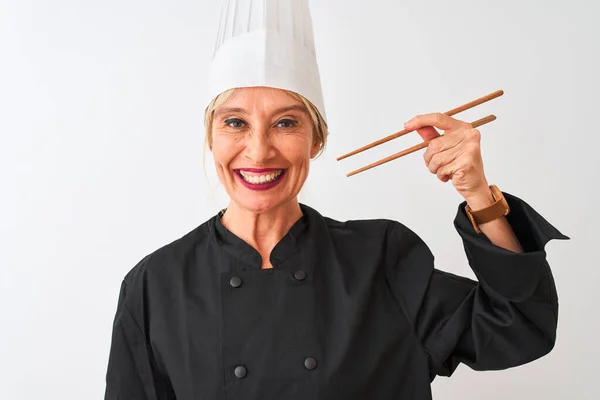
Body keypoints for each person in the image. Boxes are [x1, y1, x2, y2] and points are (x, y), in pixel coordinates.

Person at [103, 1, 569, 399]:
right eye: (235, 122)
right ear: (211, 136)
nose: (259, 150)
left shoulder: (379, 258)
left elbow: (519, 326)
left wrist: (478, 195)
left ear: (316, 140)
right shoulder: (156, 286)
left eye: (286, 123)